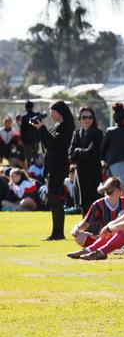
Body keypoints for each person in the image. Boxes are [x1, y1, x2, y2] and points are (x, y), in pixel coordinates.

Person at [31, 100, 74, 240]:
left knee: (56, 199)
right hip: (52, 165)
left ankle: (58, 233)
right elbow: (47, 143)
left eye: (53, 112)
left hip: (58, 166)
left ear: (60, 112)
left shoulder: (66, 126)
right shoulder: (57, 126)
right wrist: (39, 128)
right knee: (53, 198)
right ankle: (56, 233)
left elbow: (55, 144)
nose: (51, 115)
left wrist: (43, 128)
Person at [68, 177, 124, 250]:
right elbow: (86, 223)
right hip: (104, 238)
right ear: (115, 190)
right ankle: (108, 247)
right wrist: (76, 228)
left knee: (123, 213)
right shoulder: (98, 204)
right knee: (79, 237)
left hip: (122, 237)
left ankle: (114, 247)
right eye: (122, 187)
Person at [69, 107, 103, 215]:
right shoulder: (76, 133)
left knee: (94, 202)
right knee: (83, 203)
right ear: (80, 119)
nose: (87, 120)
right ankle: (85, 229)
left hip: (93, 172)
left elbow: (91, 152)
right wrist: (78, 153)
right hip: (80, 172)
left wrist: (78, 151)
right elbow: (70, 154)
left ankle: (96, 230)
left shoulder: (97, 133)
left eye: (90, 117)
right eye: (84, 117)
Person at [101, 103, 124, 186]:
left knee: (116, 190)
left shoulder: (110, 132)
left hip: (114, 165)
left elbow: (102, 150)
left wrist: (106, 162)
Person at [18, 101, 43, 166]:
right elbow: (39, 127)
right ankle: (36, 170)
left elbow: (22, 129)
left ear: (26, 107)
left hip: (26, 140)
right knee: (35, 155)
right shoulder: (36, 115)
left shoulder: (24, 117)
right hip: (35, 139)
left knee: (28, 157)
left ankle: (29, 171)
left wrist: (21, 139)